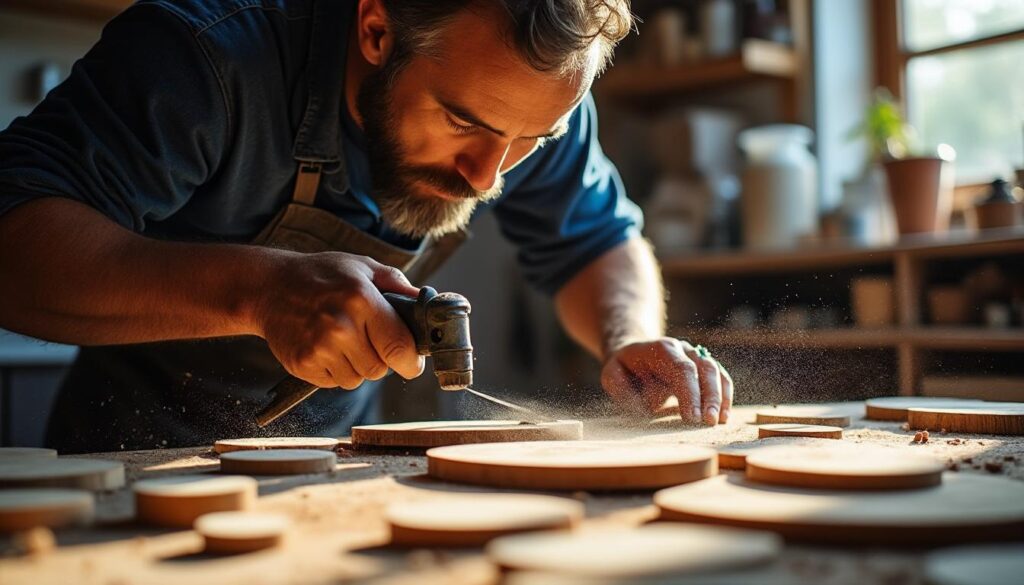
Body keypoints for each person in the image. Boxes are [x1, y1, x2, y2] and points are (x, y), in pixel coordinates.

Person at [0, 0, 733, 453]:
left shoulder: (531, 100)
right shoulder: (207, 55)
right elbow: (13, 243)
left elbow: (598, 243)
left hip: (324, 466)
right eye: (462, 124)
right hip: (127, 462)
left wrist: (628, 336)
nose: (488, 175)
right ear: (377, 28)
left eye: (528, 142)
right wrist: (258, 291)